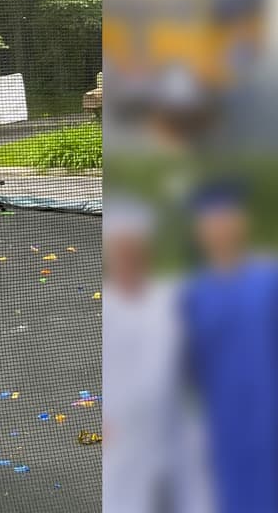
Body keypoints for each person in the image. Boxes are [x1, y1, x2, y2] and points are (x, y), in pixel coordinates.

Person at [181, 179, 278, 513]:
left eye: (227, 219)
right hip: (225, 426)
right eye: (212, 222)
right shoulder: (194, 295)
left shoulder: (276, 280)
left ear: (243, 223)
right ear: (200, 232)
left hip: (276, 421)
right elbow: (184, 367)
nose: (221, 229)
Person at [102, 196, 213, 513]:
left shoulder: (173, 296)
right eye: (120, 250)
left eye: (134, 249)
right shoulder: (107, 306)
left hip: (177, 422)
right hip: (124, 429)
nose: (128, 257)